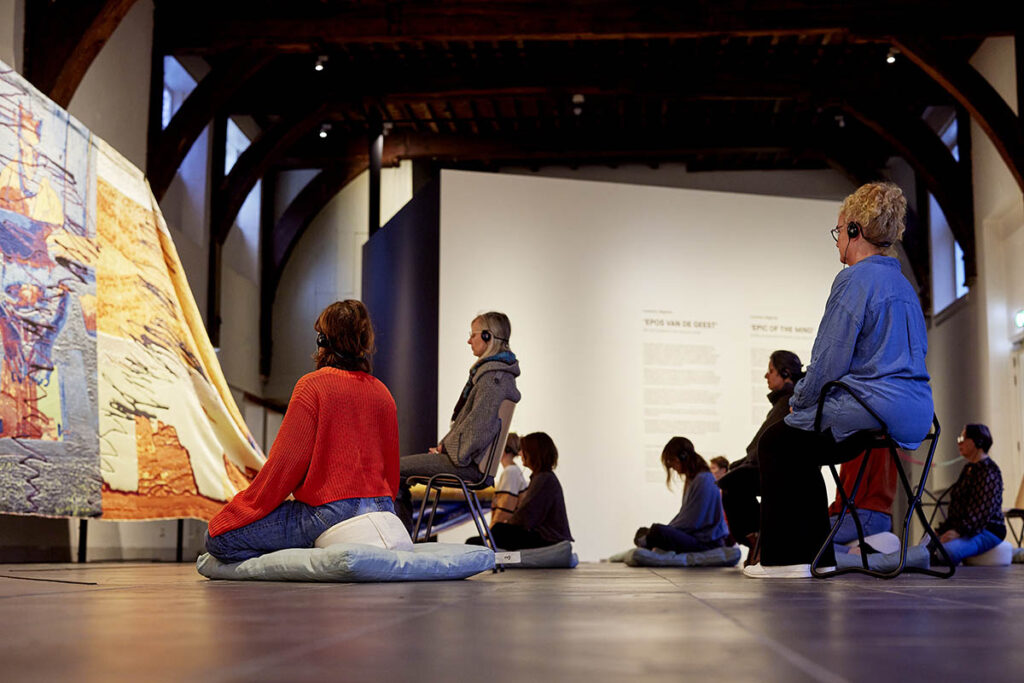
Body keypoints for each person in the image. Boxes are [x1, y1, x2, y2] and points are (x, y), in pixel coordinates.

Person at [746, 182, 933, 578]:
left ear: (854, 231)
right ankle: (819, 558)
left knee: (776, 442)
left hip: (872, 406)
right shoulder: (904, 286)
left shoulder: (853, 280)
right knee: (801, 447)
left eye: (838, 232)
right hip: (916, 412)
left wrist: (802, 397)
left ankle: (785, 560)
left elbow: (829, 359)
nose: (836, 244)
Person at [205, 300, 399, 563]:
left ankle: (304, 554)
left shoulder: (312, 386)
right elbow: (391, 471)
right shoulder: (382, 393)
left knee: (218, 539)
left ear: (322, 339)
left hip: (331, 512)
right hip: (383, 507)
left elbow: (284, 466)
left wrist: (239, 510)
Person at [396, 311, 521, 530]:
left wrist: (448, 451)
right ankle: (404, 541)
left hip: (467, 466)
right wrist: (447, 448)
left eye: (473, 335)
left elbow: (478, 431)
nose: (468, 340)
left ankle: (400, 544)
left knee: (394, 470)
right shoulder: (494, 376)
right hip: (465, 460)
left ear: (487, 337)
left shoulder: (493, 380)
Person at [716, 350, 802, 554]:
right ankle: (758, 539)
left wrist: (741, 464)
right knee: (732, 480)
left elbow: (764, 445)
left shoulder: (788, 402)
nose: (766, 375)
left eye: (771, 370)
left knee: (731, 482)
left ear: (785, 372)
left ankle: (761, 540)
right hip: (775, 467)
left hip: (781, 471)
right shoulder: (785, 401)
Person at [634, 437, 730, 553]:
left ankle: (648, 543)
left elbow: (692, 522)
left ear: (683, 457)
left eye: (672, 461)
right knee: (645, 531)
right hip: (697, 536)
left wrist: (667, 531)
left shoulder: (704, 479)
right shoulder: (694, 479)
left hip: (707, 542)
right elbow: (686, 517)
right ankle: (649, 541)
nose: (673, 467)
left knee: (656, 531)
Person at [929, 424, 1005, 565]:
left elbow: (982, 512)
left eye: (963, 438)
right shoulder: (968, 469)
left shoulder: (989, 471)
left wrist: (958, 532)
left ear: (977, 441)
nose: (960, 442)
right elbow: (957, 510)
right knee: (927, 545)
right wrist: (942, 531)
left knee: (945, 552)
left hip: (986, 530)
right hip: (966, 528)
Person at [488, 431, 573, 550]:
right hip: (547, 536)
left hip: (549, 539)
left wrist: (505, 525)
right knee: (492, 533)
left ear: (533, 453)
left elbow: (526, 516)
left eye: (524, 451)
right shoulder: (542, 477)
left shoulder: (543, 479)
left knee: (497, 531)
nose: (520, 453)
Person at [490, 433, 529, 526]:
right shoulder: (514, 470)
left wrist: (489, 532)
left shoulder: (510, 472)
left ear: (503, 449)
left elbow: (504, 510)